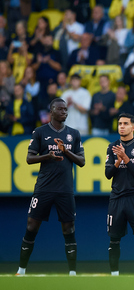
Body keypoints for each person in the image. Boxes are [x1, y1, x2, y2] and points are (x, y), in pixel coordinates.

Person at [16, 98, 86, 276]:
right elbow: (29, 158)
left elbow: (82, 162)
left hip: (65, 189)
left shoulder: (74, 134)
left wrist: (65, 151)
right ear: (52, 111)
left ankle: (72, 273)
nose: (65, 112)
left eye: (66, 109)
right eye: (61, 109)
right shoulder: (40, 132)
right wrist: (47, 156)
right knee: (32, 226)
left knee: (69, 228)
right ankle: (21, 270)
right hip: (44, 188)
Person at [105, 113, 134, 276]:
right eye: (119, 124)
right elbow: (108, 174)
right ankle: (114, 275)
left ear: (133, 127)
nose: (121, 126)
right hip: (117, 198)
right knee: (114, 239)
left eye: (125, 123)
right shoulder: (112, 146)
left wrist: (125, 157)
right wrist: (117, 161)